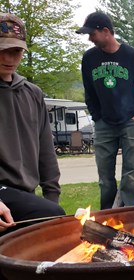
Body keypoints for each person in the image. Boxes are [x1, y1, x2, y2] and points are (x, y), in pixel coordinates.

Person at [76, 11, 134, 210]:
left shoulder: (132, 56)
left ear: (105, 31)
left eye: (92, 33)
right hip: (104, 124)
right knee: (105, 177)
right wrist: (97, 116)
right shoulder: (89, 58)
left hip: (131, 122)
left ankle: (131, 215)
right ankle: (107, 216)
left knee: (132, 173)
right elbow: (89, 91)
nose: (90, 38)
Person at [0, 13, 66, 236]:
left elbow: (46, 150)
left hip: (25, 194)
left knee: (53, 220)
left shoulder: (32, 93)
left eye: (16, 51)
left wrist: (51, 196)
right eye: (3, 50)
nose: (9, 58)